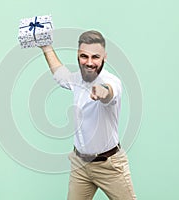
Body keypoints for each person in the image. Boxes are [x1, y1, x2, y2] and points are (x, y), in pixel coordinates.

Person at [40, 30, 136, 200]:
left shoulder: (112, 81)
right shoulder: (77, 79)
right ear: (78, 56)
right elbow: (61, 76)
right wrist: (46, 47)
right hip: (80, 165)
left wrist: (102, 92)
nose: (89, 63)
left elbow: (110, 93)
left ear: (104, 57)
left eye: (95, 57)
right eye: (84, 56)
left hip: (109, 165)